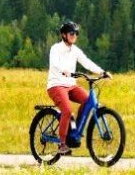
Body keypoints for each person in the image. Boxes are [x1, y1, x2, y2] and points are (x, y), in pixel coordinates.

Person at [46, 20, 110, 155]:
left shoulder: (75, 50)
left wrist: (102, 72)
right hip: (56, 85)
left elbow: (87, 62)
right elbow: (55, 64)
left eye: (76, 33)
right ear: (64, 35)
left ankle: (75, 131)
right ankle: (62, 143)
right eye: (71, 33)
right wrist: (65, 71)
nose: (74, 35)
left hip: (70, 85)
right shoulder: (55, 48)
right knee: (67, 110)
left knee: (88, 101)